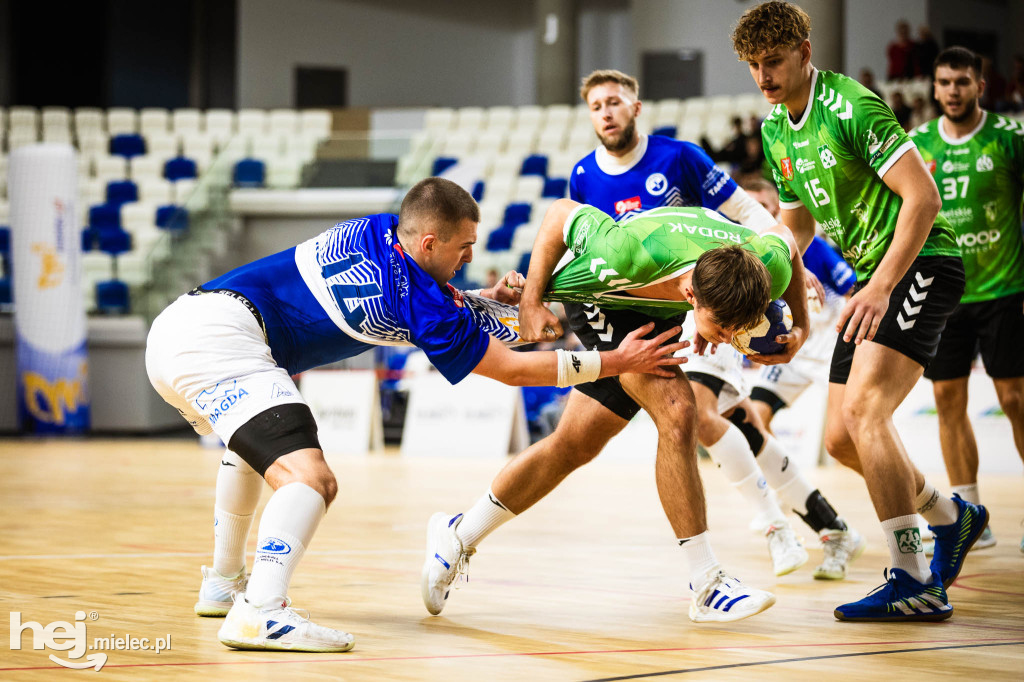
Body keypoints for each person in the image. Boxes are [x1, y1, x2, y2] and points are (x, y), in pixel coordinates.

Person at [146, 177, 686, 652]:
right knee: (312, 480)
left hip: (185, 325)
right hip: (222, 342)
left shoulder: (381, 229)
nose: (469, 257)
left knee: (253, 453)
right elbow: (512, 370)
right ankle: (261, 610)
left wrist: (486, 300)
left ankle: (223, 582)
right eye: (464, 247)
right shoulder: (419, 300)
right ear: (429, 241)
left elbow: (431, 302)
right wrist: (618, 360)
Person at [420, 68, 811, 624]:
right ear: (688, 292)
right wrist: (533, 300)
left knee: (573, 445)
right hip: (601, 295)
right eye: (719, 330)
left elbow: (787, 244)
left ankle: (457, 535)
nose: (724, 344)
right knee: (677, 411)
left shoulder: (761, 263)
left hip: (660, 299)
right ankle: (706, 583)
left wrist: (802, 335)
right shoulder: (628, 249)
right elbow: (558, 216)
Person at [732, 1, 988, 622]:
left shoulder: (852, 105)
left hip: (920, 262)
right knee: (844, 437)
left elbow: (922, 199)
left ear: (804, 52)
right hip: (874, 280)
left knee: (868, 410)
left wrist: (878, 287)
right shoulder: (773, 129)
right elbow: (796, 221)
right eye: (753, 66)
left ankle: (913, 576)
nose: (763, 76)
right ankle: (953, 518)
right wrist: (786, 278)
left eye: (773, 62)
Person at [910, 46, 1024, 553]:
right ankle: (970, 516)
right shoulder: (917, 144)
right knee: (946, 400)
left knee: (1015, 400)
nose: (953, 91)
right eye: (944, 82)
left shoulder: (1009, 138)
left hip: (1006, 289)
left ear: (982, 85)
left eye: (962, 81)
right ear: (933, 89)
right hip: (944, 293)